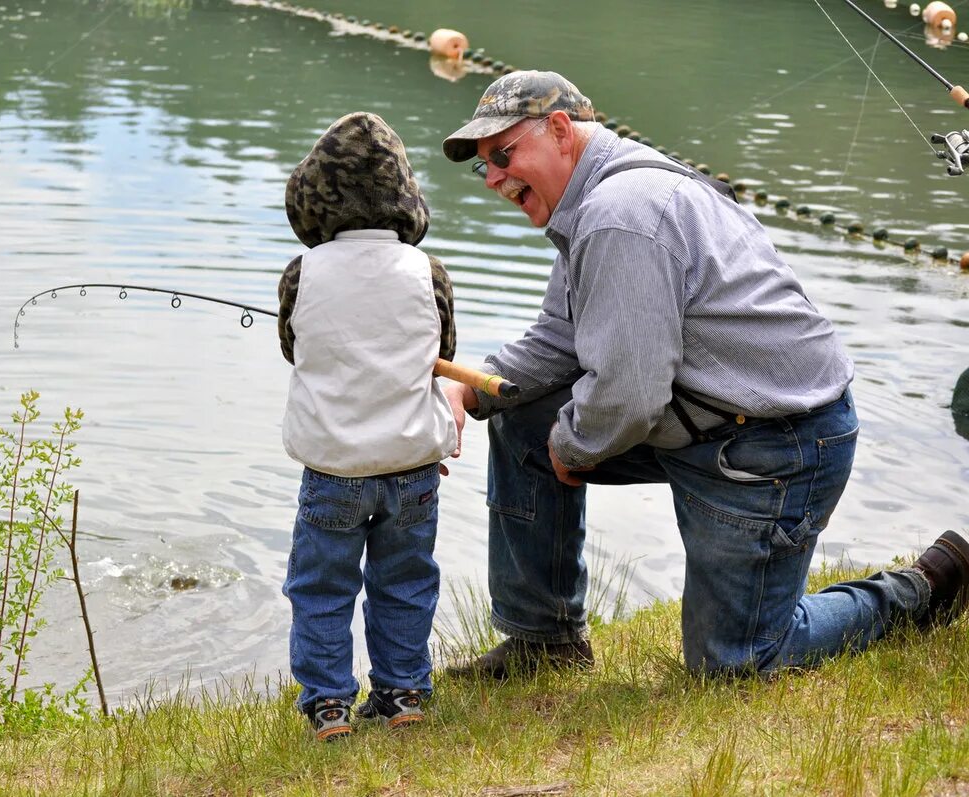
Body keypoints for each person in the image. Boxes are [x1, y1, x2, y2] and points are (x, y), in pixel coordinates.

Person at [437, 70, 969, 678]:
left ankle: (924, 587)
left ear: (560, 130)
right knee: (518, 416)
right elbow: (560, 339)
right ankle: (544, 644)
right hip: (707, 419)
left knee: (736, 664)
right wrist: (471, 389)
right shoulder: (592, 200)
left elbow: (630, 394)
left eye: (502, 155)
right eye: (484, 167)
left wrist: (573, 444)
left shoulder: (619, 213)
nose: (496, 178)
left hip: (776, 443)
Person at [278, 112, 459, 739]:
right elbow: (441, 353)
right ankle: (403, 693)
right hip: (412, 469)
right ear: (406, 197)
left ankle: (328, 704)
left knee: (322, 587)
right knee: (406, 582)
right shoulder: (428, 271)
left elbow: (291, 348)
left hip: (333, 470)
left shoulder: (303, 274)